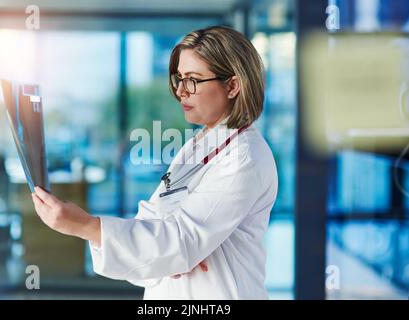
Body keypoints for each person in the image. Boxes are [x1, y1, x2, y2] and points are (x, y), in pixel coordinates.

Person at [32, 25, 278, 299]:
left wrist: (87, 226)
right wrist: (167, 255)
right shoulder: (199, 144)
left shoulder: (244, 157)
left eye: (193, 80)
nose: (181, 92)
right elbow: (153, 221)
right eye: (179, 79)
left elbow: (180, 240)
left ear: (232, 86)